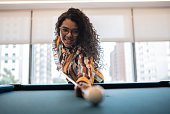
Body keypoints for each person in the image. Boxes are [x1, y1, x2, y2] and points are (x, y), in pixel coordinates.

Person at [52, 8, 104, 97]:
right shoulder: (57, 41)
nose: (69, 35)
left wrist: (83, 84)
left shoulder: (83, 50)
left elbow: (83, 67)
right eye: (65, 30)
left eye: (75, 31)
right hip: (73, 81)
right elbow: (57, 54)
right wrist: (60, 66)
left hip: (93, 84)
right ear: (59, 29)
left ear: (81, 33)